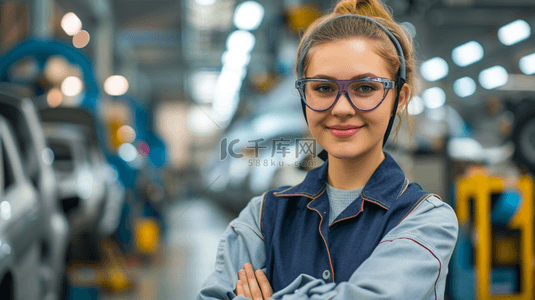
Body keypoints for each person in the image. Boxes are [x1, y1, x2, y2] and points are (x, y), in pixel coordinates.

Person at [198, 0, 459, 299]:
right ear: (303, 96)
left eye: (365, 88)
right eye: (323, 88)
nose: (342, 108)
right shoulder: (260, 218)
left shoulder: (425, 219)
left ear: (399, 98)